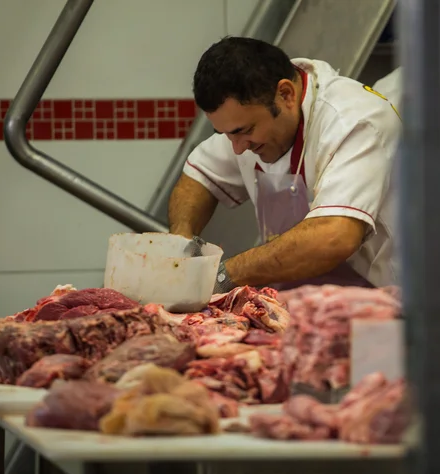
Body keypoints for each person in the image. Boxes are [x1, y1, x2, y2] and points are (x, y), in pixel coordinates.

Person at [169, 37, 401, 294]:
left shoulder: (356, 121)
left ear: (286, 94)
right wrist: (182, 240)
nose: (236, 147)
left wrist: (225, 275)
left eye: (244, 131)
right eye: (226, 135)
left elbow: (335, 236)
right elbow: (199, 176)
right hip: (321, 303)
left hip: (399, 301)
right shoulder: (248, 117)